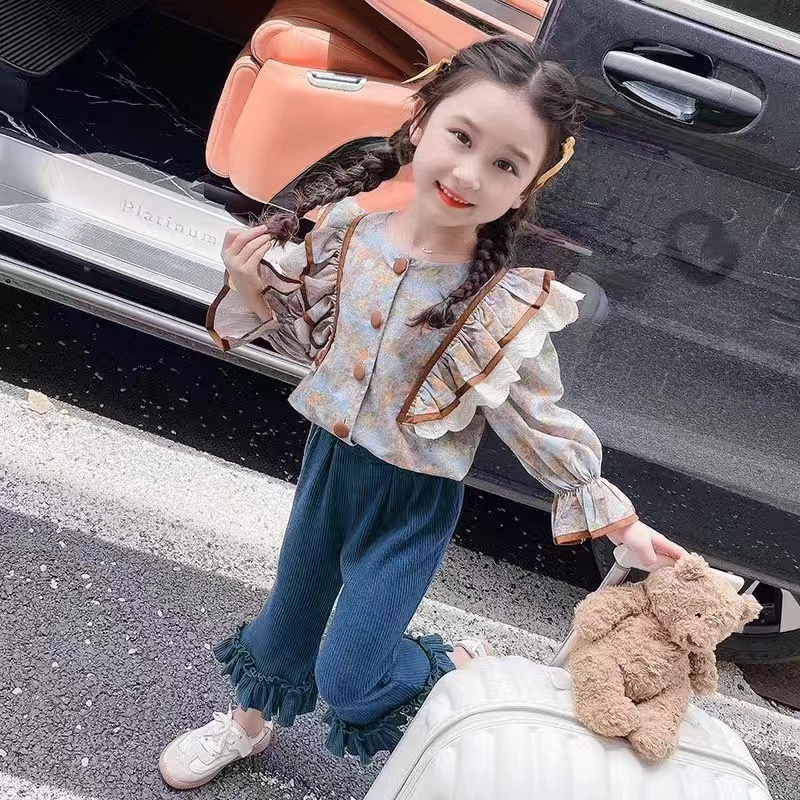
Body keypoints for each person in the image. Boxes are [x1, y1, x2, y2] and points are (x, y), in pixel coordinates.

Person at [159, 35, 686, 790]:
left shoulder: (501, 304)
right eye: (460, 138)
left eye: (505, 165)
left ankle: (455, 670)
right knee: (288, 616)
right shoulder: (345, 237)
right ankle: (249, 723)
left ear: (526, 188)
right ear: (419, 124)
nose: (470, 174)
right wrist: (251, 291)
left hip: (411, 503)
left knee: (350, 675)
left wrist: (617, 520)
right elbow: (316, 347)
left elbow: (537, 418)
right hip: (329, 469)